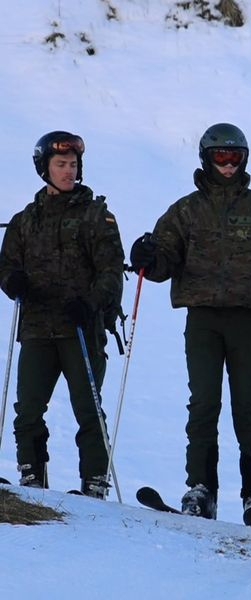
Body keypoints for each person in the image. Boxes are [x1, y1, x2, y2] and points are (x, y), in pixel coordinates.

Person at [129, 123, 251, 528]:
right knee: (204, 402)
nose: (227, 165)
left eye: (234, 157)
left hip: (244, 318)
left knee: (247, 405)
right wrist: (148, 258)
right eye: (220, 157)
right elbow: (164, 257)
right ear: (206, 158)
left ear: (244, 160)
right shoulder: (186, 210)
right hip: (202, 317)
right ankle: (200, 488)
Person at [0, 131, 124, 498]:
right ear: (45, 168)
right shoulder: (25, 220)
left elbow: (111, 271)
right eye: (60, 165)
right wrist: (13, 282)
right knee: (28, 410)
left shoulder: (96, 216)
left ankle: (95, 481)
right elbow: (7, 265)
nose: (68, 171)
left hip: (80, 328)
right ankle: (32, 478)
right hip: (37, 327)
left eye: (72, 165)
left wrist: (91, 303)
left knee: (87, 407)